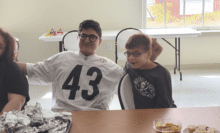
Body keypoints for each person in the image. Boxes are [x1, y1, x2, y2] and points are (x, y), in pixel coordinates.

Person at [16, 20, 163, 112]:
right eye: (83, 36)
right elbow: (33, 69)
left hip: (95, 119)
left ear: (99, 42)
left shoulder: (110, 68)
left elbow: (134, 82)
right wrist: (5, 64)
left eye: (92, 37)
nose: (87, 40)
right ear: (78, 38)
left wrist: (150, 58)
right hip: (61, 116)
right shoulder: (61, 58)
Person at [124, 33, 176, 109]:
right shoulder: (130, 67)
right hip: (141, 115)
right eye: (128, 53)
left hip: (160, 115)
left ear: (148, 54)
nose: (131, 58)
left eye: (136, 53)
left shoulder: (161, 74)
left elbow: (165, 105)